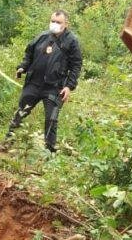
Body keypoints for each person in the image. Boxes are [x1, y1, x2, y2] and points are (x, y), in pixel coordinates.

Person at [6, 10, 82, 152]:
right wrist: (23, 67)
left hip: (55, 87)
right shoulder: (42, 36)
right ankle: (7, 142)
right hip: (34, 83)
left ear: (66, 24)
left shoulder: (72, 41)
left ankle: (49, 153)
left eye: (58, 22)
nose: (54, 24)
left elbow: (76, 65)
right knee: (21, 112)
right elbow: (29, 53)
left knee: (51, 120)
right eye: (52, 21)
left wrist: (69, 86)